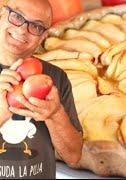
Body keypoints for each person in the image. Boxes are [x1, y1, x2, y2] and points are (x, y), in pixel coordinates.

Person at [0, 0, 83, 178]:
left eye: (36, 26)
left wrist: (55, 114)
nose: (23, 30)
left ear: (43, 36)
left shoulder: (54, 78)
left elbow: (73, 157)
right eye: (16, 16)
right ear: (1, 14)